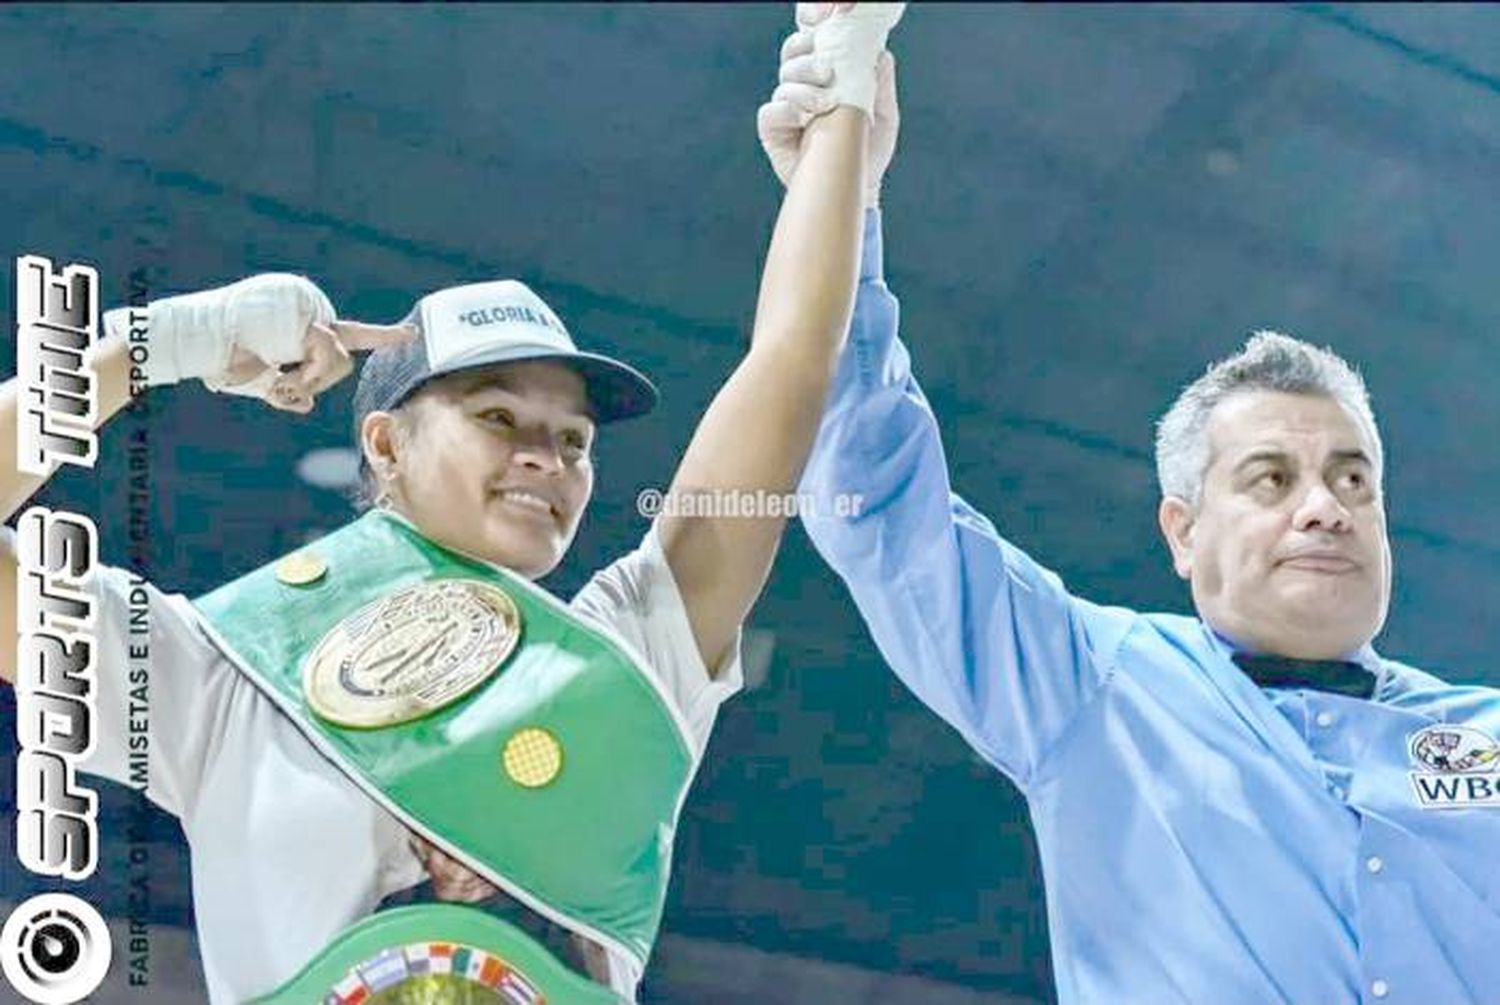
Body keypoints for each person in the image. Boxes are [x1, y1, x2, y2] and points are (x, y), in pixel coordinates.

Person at [1, 5, 905, 1002]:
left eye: (573, 440)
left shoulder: (633, 653)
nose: (544, 458)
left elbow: (786, 363)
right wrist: (155, 347)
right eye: (498, 418)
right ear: (384, 443)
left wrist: (843, 107)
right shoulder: (216, 677)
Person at [763, 25, 1500, 1005]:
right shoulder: (1092, 682)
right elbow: (872, 498)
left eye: (1353, 481)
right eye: (1272, 480)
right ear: (1183, 532)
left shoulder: (1487, 732)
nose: (1326, 510)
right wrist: (839, 204)